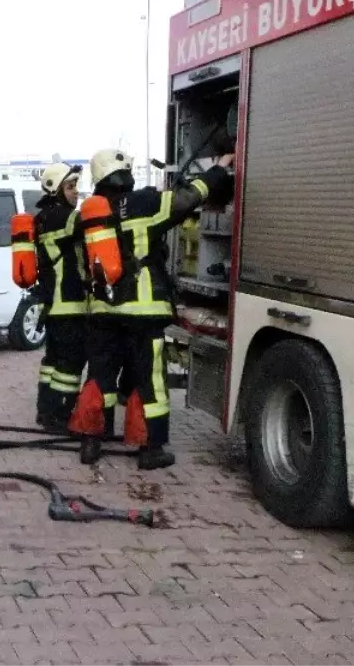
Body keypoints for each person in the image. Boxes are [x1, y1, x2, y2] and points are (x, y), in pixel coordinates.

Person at [69, 148, 234, 469]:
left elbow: (83, 268)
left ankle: (91, 443)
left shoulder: (86, 217)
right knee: (149, 381)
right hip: (143, 314)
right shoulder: (144, 203)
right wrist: (218, 170)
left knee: (100, 377)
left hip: (103, 312)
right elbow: (190, 198)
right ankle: (150, 449)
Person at [32, 162, 89, 433]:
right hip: (68, 304)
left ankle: (45, 411)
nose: (76, 192)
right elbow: (87, 224)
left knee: (52, 363)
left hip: (53, 305)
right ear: (55, 189)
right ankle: (60, 416)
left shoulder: (44, 217)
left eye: (76, 185)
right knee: (70, 363)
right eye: (70, 186)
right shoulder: (62, 217)